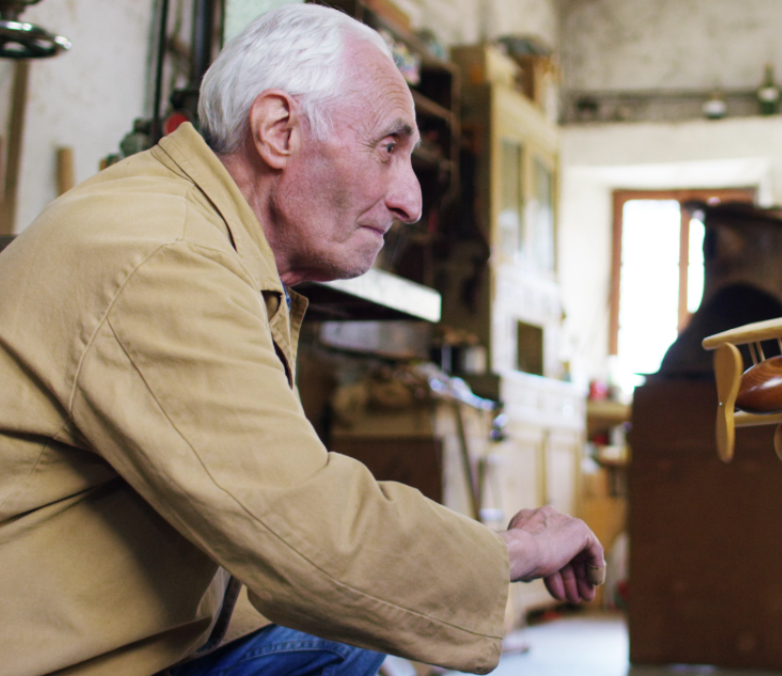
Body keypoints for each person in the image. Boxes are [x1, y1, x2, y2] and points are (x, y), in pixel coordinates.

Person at [0, 5, 602, 676]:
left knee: (347, 629)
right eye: (388, 149)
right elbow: (313, 538)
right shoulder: (161, 255)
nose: (411, 200)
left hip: (128, 639)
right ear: (279, 131)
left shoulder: (191, 232)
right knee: (342, 620)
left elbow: (279, 535)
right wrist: (512, 553)